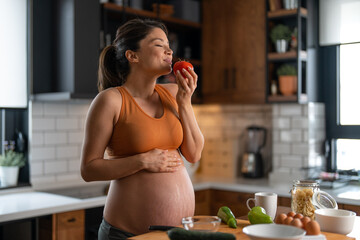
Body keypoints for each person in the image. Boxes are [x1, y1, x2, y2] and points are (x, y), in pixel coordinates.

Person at [80, 18, 204, 240]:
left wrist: (185, 103)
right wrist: (142, 161)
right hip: (125, 234)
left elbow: (194, 154)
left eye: (168, 44)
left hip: (176, 234)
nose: (169, 50)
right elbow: (88, 169)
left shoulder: (175, 93)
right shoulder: (110, 100)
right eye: (159, 44)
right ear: (132, 55)